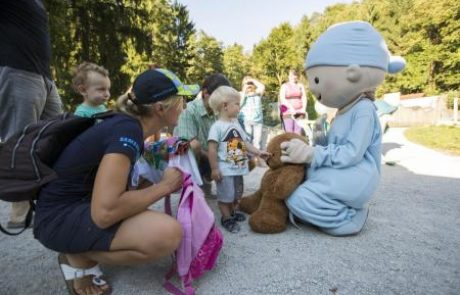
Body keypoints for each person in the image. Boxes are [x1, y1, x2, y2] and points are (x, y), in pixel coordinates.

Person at [33, 68, 200, 295]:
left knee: (147, 192)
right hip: (57, 220)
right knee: (168, 234)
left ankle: (78, 246)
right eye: (181, 101)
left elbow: (120, 189)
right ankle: (77, 255)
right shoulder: (128, 133)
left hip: (68, 209)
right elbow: (105, 212)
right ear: (160, 108)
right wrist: (166, 186)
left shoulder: (126, 126)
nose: (185, 106)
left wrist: (153, 176)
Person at [280, 21, 405, 236]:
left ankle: (349, 218)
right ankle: (328, 208)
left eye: (317, 79)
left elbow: (351, 153)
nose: (313, 87)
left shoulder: (364, 109)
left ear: (353, 72)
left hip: (357, 174)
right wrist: (318, 139)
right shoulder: (344, 109)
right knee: (299, 178)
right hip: (342, 172)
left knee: (296, 198)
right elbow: (332, 148)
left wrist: (312, 153)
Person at [0, 0, 63, 229]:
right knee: (19, 141)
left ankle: (51, 199)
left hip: (44, 75)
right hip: (17, 70)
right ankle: (20, 212)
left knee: (58, 136)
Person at [207, 86, 270, 233]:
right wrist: (215, 169)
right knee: (225, 196)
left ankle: (233, 212)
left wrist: (258, 152)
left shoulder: (235, 123)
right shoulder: (217, 127)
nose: (239, 107)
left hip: (237, 168)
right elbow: (212, 149)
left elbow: (245, 143)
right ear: (225, 106)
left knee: (236, 193)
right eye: (236, 104)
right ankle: (226, 217)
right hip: (225, 170)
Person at [174, 73, 231, 191]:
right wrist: (217, 161)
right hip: (189, 158)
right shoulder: (189, 111)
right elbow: (189, 146)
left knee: (241, 156)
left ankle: (206, 179)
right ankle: (191, 183)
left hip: (209, 156)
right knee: (193, 145)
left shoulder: (220, 111)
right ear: (205, 93)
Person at [278, 69, 308, 135]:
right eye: (292, 75)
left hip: (299, 112)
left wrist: (303, 109)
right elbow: (282, 99)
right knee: (289, 133)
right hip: (287, 112)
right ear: (288, 76)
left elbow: (304, 97)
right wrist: (291, 109)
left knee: (298, 133)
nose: (294, 77)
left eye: (295, 75)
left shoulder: (300, 85)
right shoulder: (284, 86)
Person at [239, 76, 265, 150]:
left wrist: (252, 80)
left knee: (257, 143)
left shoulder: (257, 93)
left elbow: (262, 86)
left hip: (258, 122)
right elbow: (239, 105)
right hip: (245, 121)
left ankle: (257, 159)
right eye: (247, 83)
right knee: (247, 141)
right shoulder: (241, 94)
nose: (249, 85)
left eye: (251, 84)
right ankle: (247, 159)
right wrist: (244, 92)